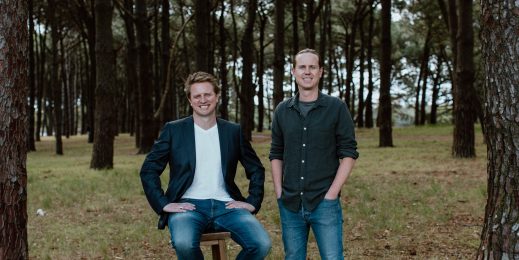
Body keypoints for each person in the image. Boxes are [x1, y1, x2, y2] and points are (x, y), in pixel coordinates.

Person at [140, 71, 271, 260]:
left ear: (217, 97)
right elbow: (149, 170)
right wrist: (163, 204)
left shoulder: (232, 131)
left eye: (207, 94)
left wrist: (252, 202)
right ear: (190, 100)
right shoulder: (174, 130)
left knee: (261, 244)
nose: (203, 100)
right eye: (197, 96)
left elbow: (256, 168)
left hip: (227, 206)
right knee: (184, 244)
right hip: (188, 206)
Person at [269, 49, 359, 260]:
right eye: (302, 67)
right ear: (293, 71)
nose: (307, 71)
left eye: (312, 67)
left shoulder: (336, 108)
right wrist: (279, 192)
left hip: (324, 201)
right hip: (290, 203)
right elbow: (276, 153)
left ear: (320, 72)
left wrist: (331, 194)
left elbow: (348, 153)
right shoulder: (282, 110)